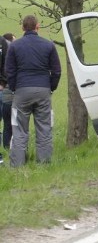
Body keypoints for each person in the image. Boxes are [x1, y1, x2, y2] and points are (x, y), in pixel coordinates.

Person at [5, 15, 61, 167]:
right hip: (43, 90)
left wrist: (15, 87)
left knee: (19, 129)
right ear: (38, 26)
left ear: (23, 28)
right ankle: (44, 165)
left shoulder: (15, 46)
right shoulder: (48, 45)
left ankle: (17, 166)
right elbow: (56, 70)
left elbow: (9, 70)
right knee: (44, 129)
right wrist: (51, 87)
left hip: (22, 91)